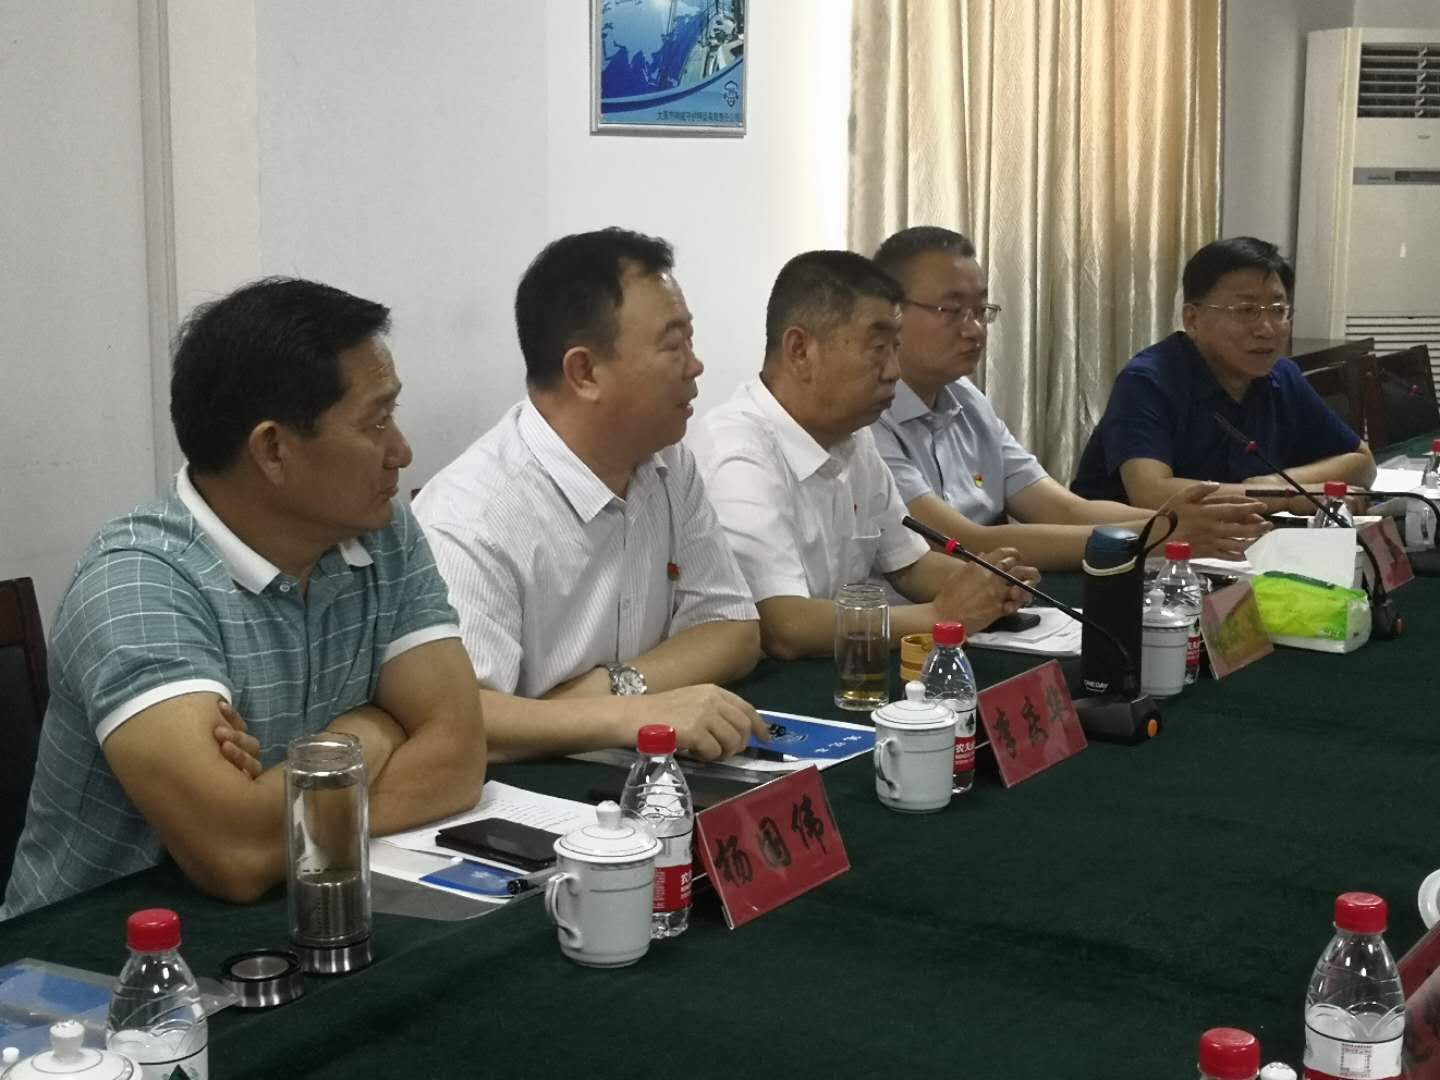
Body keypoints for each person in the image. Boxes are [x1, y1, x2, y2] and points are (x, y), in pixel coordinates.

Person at [1, 278, 487, 919]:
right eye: (376, 422)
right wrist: (369, 731)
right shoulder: (138, 585)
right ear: (273, 450)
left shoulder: (380, 530)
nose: (401, 451)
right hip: (99, 954)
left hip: (296, 912)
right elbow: (233, 852)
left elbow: (459, 758)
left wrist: (295, 789)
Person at [414, 229, 766, 763]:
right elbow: (460, 718)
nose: (695, 366)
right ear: (584, 372)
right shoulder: (470, 516)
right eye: (673, 345)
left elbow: (732, 629)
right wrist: (632, 715)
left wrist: (614, 688)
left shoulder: (668, 462)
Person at [689, 250, 1038, 661]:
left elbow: (909, 565)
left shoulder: (853, 437)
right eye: (877, 348)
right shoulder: (738, 451)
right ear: (800, 350)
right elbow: (785, 625)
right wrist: (940, 617)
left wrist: (986, 584)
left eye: (896, 347)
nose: (894, 370)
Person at [869, 227, 1269, 569]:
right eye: (952, 310)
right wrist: (1158, 531)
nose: (975, 330)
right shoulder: (867, 419)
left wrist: (1180, 521)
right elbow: (961, 542)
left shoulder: (966, 399)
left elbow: (1064, 509)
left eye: (981, 310)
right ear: (891, 313)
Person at [1071, 236, 1376, 510]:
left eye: (1277, 310)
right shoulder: (1148, 380)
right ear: (1192, 319)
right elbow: (1152, 493)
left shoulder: (1282, 375)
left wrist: (1273, 484)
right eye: (1246, 311)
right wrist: (1284, 497)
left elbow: (1362, 463)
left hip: (1235, 543)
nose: (1266, 329)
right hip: (1127, 546)